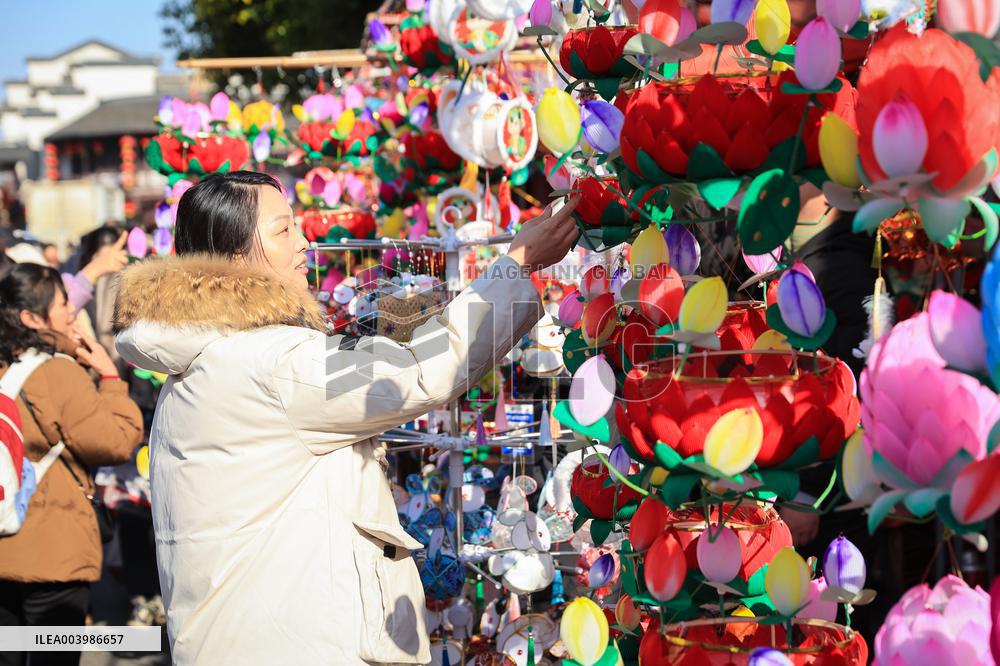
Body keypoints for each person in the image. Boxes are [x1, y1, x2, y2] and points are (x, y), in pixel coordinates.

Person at [113, 171, 580, 664]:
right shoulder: (270, 362)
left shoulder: (198, 365)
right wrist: (515, 265)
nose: (304, 242)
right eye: (283, 230)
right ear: (234, 260)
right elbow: (420, 370)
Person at [0, 264, 144, 666]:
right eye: (62, 303)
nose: (70, 311)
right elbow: (115, 442)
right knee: (52, 656)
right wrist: (110, 377)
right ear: (31, 317)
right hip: (52, 553)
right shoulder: (58, 373)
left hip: (4, 548)